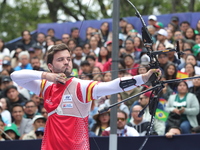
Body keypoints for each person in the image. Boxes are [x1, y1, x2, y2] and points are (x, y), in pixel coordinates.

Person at [10, 43, 161, 150]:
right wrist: (46, 75)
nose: (66, 62)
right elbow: (15, 76)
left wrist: (143, 78)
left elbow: (112, 86)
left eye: (68, 59)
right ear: (50, 66)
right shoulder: (45, 86)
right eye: (60, 59)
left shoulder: (80, 86)